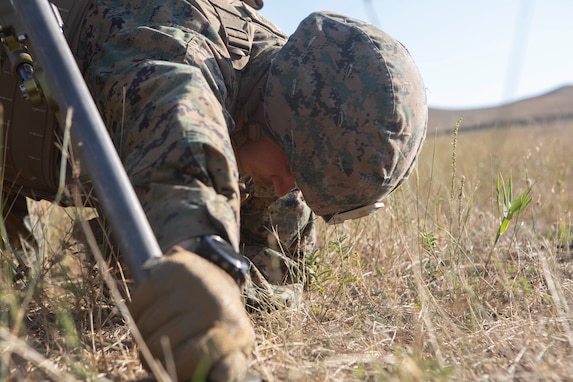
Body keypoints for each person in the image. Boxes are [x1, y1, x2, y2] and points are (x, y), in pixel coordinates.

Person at [1, 0, 427, 380]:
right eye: (292, 168)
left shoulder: (279, 139)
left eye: (302, 182)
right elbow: (182, 135)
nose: (284, 188)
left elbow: (279, 277)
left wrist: (233, 296)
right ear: (273, 110)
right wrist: (202, 259)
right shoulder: (178, 36)